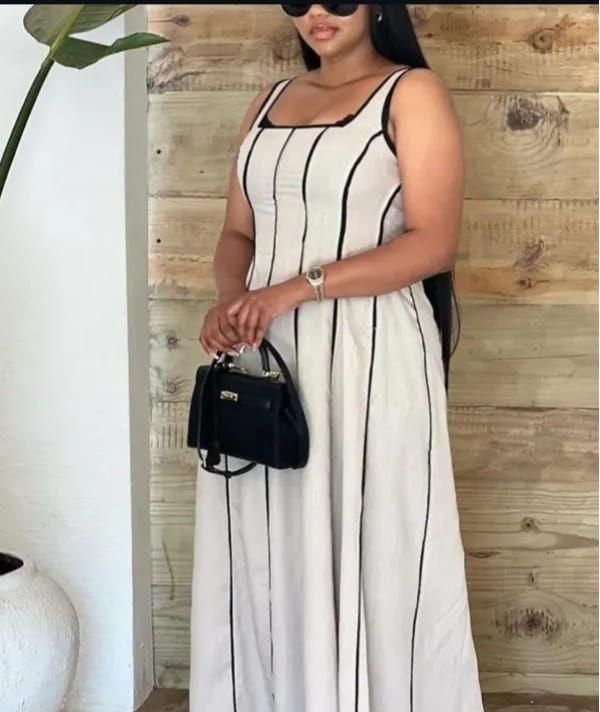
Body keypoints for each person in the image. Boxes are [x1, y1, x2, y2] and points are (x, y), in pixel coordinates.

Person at [188, 4, 484, 711]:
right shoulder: (268, 102)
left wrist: (294, 289)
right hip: (267, 362)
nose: (317, 12)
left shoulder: (411, 93)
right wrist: (232, 302)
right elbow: (237, 234)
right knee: (267, 541)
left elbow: (433, 241)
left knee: (374, 541)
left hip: (368, 355)